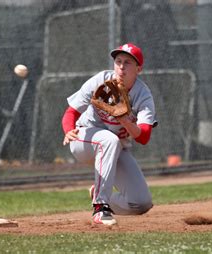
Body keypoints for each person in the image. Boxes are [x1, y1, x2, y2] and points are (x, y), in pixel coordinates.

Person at [61, 43, 156, 225]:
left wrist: (124, 120)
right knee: (109, 140)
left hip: (115, 148)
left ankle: (97, 192)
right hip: (84, 139)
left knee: (141, 202)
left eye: (127, 62)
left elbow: (143, 137)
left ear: (139, 69)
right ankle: (100, 207)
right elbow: (71, 112)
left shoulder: (143, 95)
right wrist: (68, 130)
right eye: (118, 61)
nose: (121, 66)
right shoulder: (100, 81)